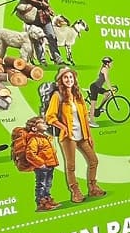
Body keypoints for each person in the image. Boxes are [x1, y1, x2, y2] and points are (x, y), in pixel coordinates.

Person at [44, 66, 105, 203]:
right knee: (71, 166)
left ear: (74, 79)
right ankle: (75, 192)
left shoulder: (78, 95)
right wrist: (63, 127)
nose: (69, 79)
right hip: (68, 137)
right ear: (61, 79)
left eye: (71, 77)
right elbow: (50, 117)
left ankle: (93, 187)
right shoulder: (57, 95)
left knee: (93, 160)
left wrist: (89, 136)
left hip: (82, 134)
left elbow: (84, 116)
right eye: (66, 77)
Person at [11, 116, 60, 212]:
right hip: (42, 167)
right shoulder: (34, 139)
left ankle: (48, 200)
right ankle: (41, 203)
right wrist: (41, 163)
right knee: (41, 184)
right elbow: (30, 154)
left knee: (48, 184)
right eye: (42, 122)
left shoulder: (44, 137)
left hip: (49, 165)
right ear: (34, 128)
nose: (45, 123)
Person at [19, 0, 63, 64]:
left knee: (52, 36)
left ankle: (58, 60)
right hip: (34, 17)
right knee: (37, 39)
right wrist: (41, 4)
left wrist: (49, 9)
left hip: (45, 17)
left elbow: (46, 2)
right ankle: (42, 60)